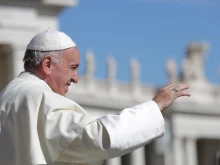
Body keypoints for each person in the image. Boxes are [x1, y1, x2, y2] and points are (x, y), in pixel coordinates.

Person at [0, 29, 191, 165]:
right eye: (72, 68)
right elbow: (97, 137)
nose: (75, 78)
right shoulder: (39, 98)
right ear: (48, 64)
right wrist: (154, 107)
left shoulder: (8, 97)